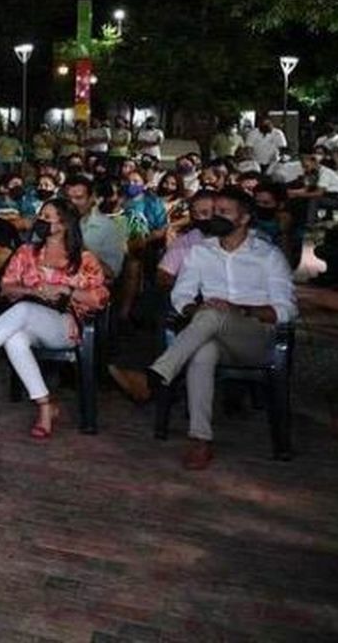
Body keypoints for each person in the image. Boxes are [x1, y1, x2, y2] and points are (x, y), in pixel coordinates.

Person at [108, 188, 296, 470]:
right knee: (202, 352)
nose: (216, 217)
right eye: (214, 211)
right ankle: (200, 439)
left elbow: (287, 309)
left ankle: (154, 379)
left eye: (224, 212)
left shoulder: (268, 256)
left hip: (255, 336)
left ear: (244, 219)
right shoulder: (200, 252)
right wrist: (195, 310)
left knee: (214, 315)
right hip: (212, 333)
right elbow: (181, 296)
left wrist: (242, 310)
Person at [0, 197, 110, 438]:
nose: (41, 221)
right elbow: (6, 287)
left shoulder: (84, 259)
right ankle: (45, 406)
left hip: (65, 325)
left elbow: (99, 298)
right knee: (15, 338)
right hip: (27, 317)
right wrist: (33, 291)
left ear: (64, 225)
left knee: (22, 312)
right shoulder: (27, 253)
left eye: (48, 218)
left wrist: (65, 291)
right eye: (41, 216)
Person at [61, 174, 125, 279]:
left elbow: (111, 273)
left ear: (91, 198)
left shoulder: (108, 228)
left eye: (79, 198)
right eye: (68, 198)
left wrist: (79, 249)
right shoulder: (53, 220)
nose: (72, 203)